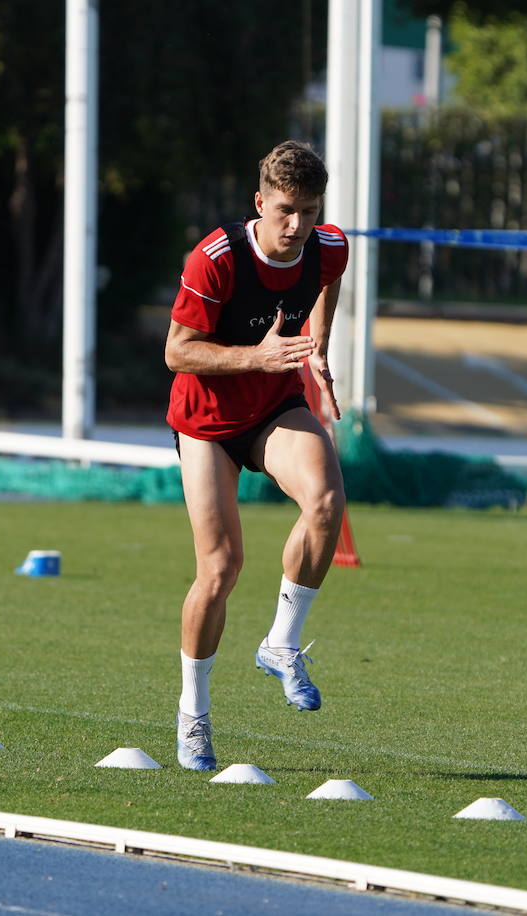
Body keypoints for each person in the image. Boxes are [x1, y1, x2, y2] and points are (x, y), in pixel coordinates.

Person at [163, 141, 349, 771]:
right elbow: (178, 352)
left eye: (309, 211)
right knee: (221, 568)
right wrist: (258, 357)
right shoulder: (215, 259)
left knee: (326, 501)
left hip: (272, 409)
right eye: (286, 210)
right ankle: (193, 715)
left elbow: (330, 280)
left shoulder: (327, 245)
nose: (297, 225)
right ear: (260, 202)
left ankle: (281, 644)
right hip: (207, 421)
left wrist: (316, 348)